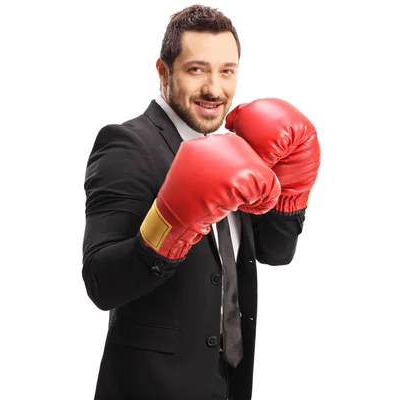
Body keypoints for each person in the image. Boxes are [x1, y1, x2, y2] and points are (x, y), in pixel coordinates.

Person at [81, 4, 321, 400]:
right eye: (197, 69)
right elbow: (101, 282)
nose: (214, 88)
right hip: (153, 387)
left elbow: (275, 252)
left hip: (229, 383)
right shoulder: (127, 145)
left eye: (227, 70)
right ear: (164, 72)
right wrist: (167, 231)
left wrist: (292, 193)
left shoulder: (237, 150)